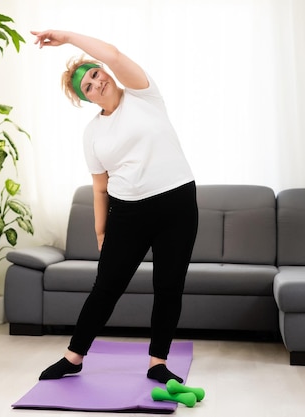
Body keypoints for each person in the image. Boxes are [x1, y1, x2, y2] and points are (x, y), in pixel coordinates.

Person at [31, 30, 198, 384]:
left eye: (95, 73)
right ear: (85, 99)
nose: (97, 82)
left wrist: (68, 38)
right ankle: (73, 357)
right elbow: (100, 186)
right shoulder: (92, 134)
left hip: (176, 202)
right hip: (128, 211)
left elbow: (115, 55)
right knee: (106, 287)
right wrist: (101, 230)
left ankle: (157, 362)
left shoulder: (143, 94)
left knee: (169, 286)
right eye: (87, 86)